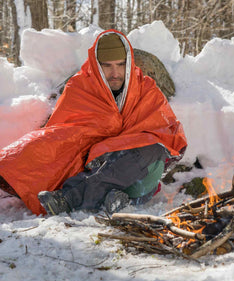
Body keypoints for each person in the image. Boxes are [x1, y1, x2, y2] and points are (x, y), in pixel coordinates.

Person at [0, 29, 187, 215]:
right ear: (96, 65)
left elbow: (163, 130)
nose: (115, 73)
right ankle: (113, 199)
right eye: (107, 66)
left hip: (135, 169)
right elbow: (65, 130)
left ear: (129, 63)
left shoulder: (146, 88)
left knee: (153, 149)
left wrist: (116, 142)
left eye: (120, 65)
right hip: (93, 163)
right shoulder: (81, 86)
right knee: (40, 145)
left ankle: (70, 199)